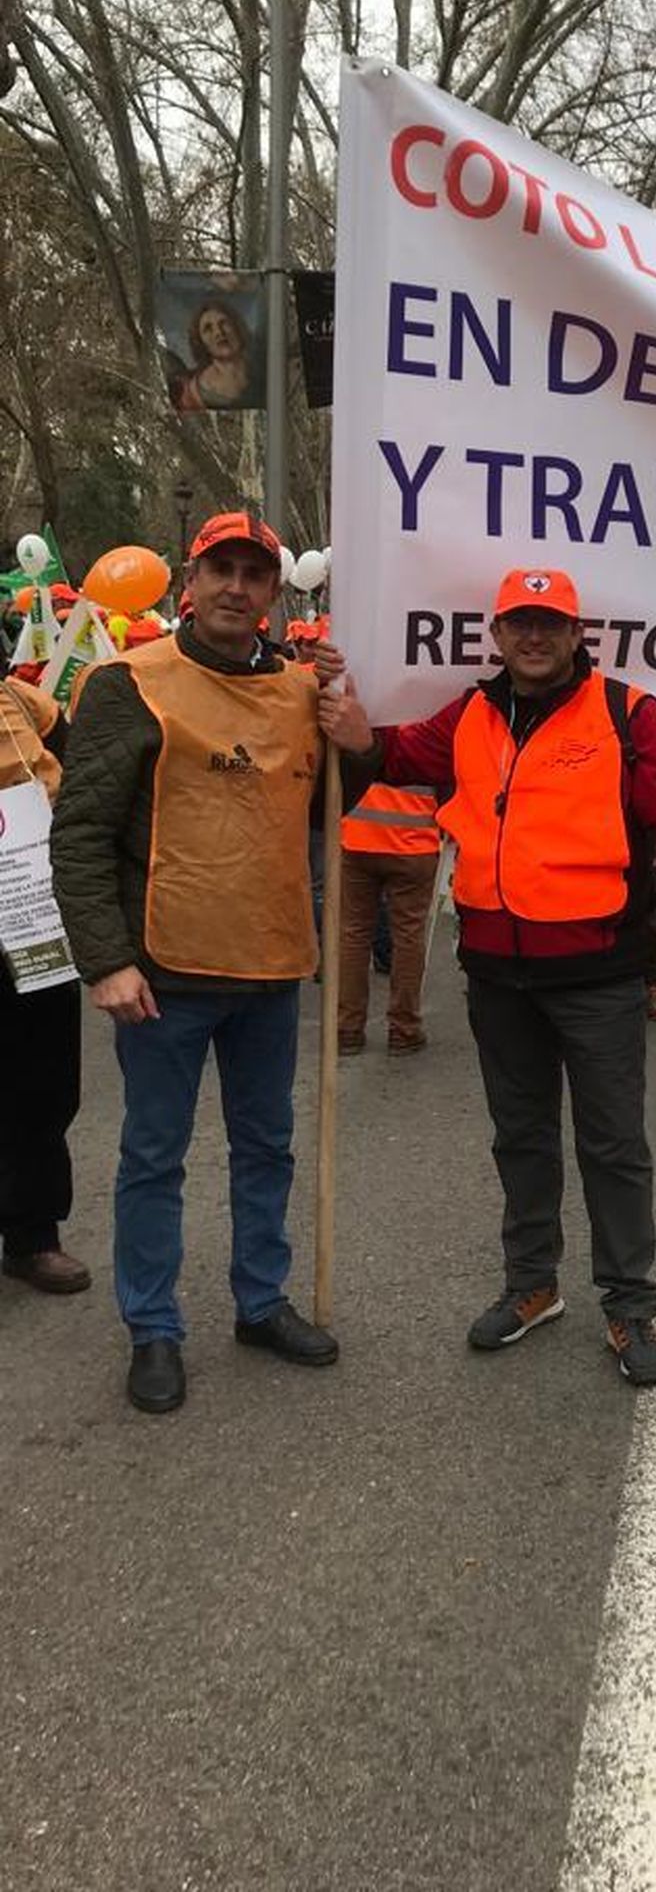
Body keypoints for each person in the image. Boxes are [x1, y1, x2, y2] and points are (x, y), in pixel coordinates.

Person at [322, 566, 656, 1384]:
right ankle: (532, 1284)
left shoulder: (627, 714)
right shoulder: (470, 714)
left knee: (613, 1144)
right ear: (498, 633)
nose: (535, 636)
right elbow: (396, 754)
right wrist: (355, 730)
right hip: (496, 974)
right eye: (520, 621)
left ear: (577, 633)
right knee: (520, 1136)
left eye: (550, 622)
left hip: (599, 976)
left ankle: (630, 1304)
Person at [50, 512, 375, 1415]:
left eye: (254, 573)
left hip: (270, 964)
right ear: (189, 581)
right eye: (220, 569)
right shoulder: (130, 683)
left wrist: (358, 739)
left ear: (273, 591)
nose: (237, 586)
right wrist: (106, 961)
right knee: (154, 1156)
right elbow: (80, 833)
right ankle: (153, 1327)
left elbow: (334, 801)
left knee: (266, 1146)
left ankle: (260, 1302)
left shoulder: (303, 690)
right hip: (164, 972)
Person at [0, 672, 90, 1297]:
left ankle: (33, 1237)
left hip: (31, 914)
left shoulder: (18, 698)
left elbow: (83, 764)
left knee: (44, 1082)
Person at [337, 780, 441, 1055]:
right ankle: (404, 1029)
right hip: (414, 842)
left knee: (354, 935)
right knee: (408, 936)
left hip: (358, 836)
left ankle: (347, 1029)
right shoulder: (424, 747)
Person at [169, 300, 255, 411]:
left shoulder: (264, 372)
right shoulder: (190, 392)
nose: (219, 332)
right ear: (200, 341)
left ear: (237, 328)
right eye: (208, 329)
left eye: (224, 323)